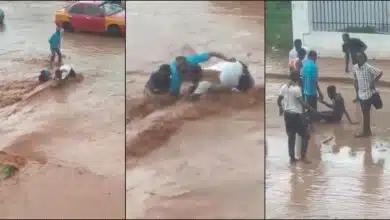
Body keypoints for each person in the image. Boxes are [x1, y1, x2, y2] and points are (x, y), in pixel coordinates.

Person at [277, 71, 318, 164]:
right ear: (298, 79)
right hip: (296, 115)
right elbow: (302, 102)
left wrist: (280, 108)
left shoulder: (284, 87)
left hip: (287, 115)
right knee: (306, 135)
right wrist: (311, 109)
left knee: (291, 136)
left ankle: (292, 158)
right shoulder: (297, 89)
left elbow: (279, 100)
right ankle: (303, 157)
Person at [169, 52, 236, 97]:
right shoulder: (175, 79)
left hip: (197, 73)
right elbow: (174, 95)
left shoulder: (191, 60)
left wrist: (227, 59)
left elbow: (213, 53)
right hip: (181, 77)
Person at [188, 61, 255, 100]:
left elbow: (193, 98)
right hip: (240, 65)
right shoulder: (206, 69)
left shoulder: (204, 83)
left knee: (211, 91)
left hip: (243, 78)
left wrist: (187, 97)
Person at [353, 52, 383, 137]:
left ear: (364, 58)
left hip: (368, 93)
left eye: (360, 57)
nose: (358, 59)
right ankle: (367, 131)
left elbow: (380, 72)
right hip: (361, 93)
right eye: (357, 57)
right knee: (365, 113)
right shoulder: (355, 67)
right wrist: (356, 86)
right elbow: (356, 77)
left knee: (366, 113)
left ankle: (366, 132)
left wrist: (373, 81)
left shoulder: (368, 67)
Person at [342, 33, 367, 103]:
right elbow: (347, 55)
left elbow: (365, 46)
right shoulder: (344, 45)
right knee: (356, 80)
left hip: (362, 61)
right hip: (355, 63)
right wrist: (346, 67)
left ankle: (365, 96)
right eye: (342, 38)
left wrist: (360, 52)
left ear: (348, 37)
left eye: (344, 38)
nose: (343, 40)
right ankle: (358, 97)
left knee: (362, 79)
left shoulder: (355, 40)